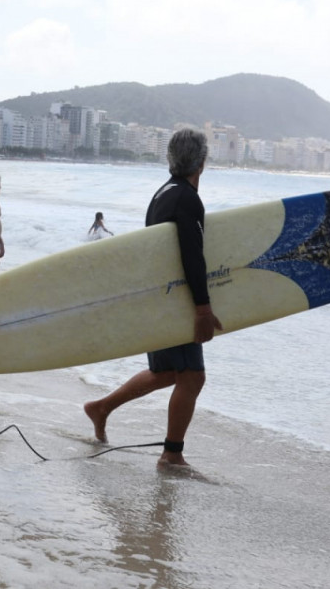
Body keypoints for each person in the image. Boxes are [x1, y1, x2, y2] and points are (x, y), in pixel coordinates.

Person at [83, 129, 223, 469]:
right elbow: (192, 256)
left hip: (158, 298)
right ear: (202, 163)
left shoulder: (163, 193)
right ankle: (172, 454)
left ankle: (101, 407)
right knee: (192, 376)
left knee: (167, 372)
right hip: (175, 302)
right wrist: (202, 308)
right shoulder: (187, 198)